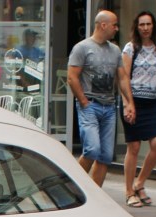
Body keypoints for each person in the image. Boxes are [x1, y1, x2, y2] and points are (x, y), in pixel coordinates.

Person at [120, 11, 156, 207]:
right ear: (137, 26)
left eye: (148, 24)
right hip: (133, 100)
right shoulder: (130, 48)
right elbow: (123, 77)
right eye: (141, 24)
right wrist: (129, 104)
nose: (145, 28)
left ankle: (139, 182)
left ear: (153, 26)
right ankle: (129, 192)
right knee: (133, 147)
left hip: (152, 103)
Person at [67, 10, 122, 186]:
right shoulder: (82, 48)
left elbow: (123, 78)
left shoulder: (115, 50)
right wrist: (84, 102)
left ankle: (94, 194)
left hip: (109, 106)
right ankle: (72, 186)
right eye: (114, 25)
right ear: (103, 25)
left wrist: (128, 102)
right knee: (92, 150)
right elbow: (72, 77)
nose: (116, 28)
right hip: (90, 105)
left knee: (105, 156)